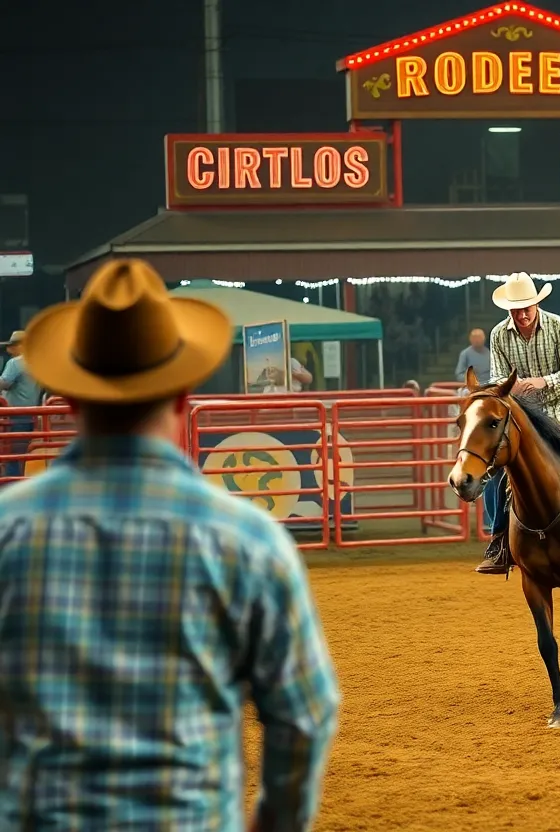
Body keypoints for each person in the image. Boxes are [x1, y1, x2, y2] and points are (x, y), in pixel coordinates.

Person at [0, 259, 339, 828]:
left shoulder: (10, 531)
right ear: (183, 395)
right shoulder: (249, 542)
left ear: (72, 400)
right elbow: (303, 716)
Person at [476, 272, 560, 575]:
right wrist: (511, 388)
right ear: (508, 309)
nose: (522, 314)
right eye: (516, 309)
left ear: (536, 305)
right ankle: (499, 538)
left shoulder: (559, 326)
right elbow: (499, 377)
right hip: (522, 412)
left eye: (527, 308)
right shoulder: (499, 334)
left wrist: (543, 382)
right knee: (497, 465)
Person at [0, 330, 41, 478]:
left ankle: (12, 482)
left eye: (13, 345)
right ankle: (18, 479)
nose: (9, 349)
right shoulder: (37, 362)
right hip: (31, 413)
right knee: (21, 451)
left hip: (14, 413)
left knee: (11, 453)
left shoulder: (15, 363)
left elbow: (3, 383)